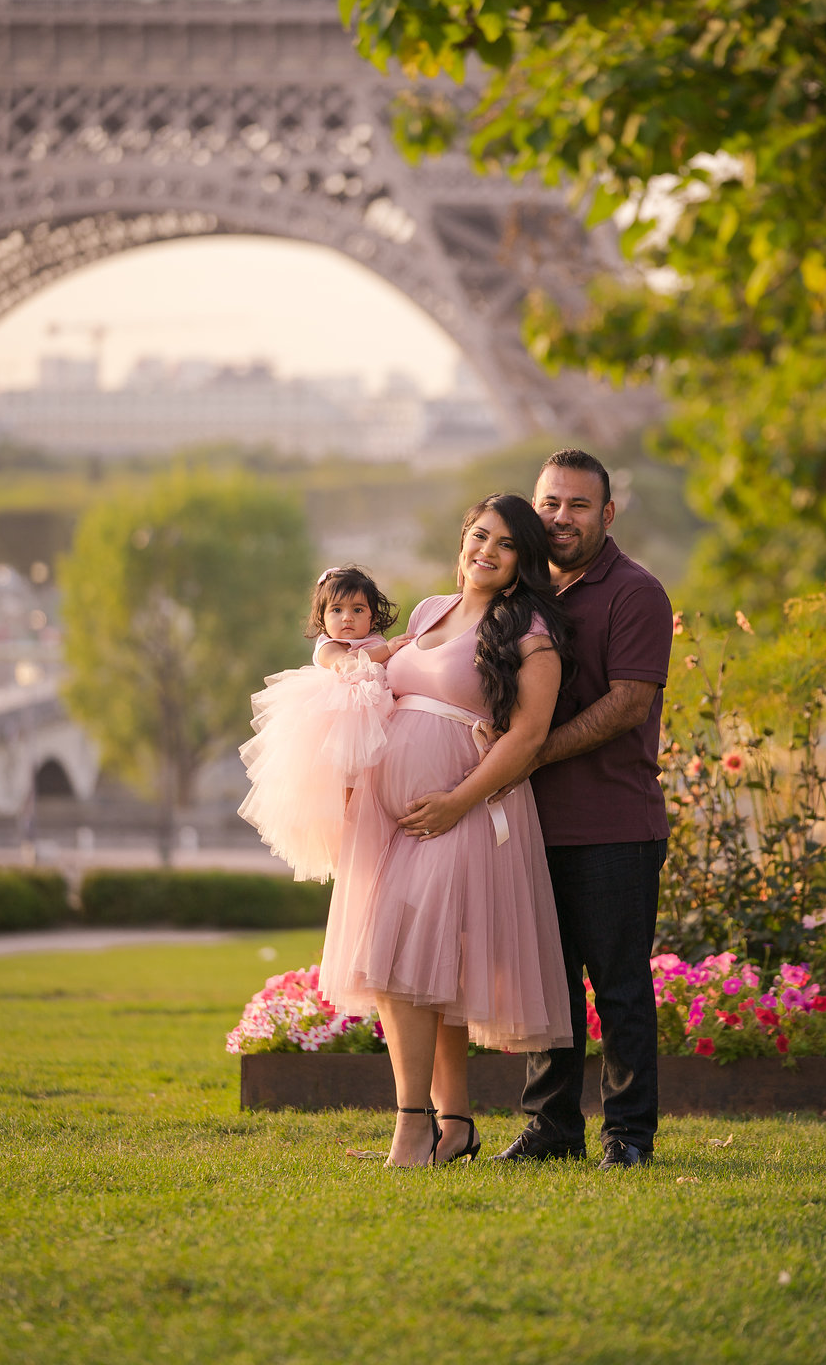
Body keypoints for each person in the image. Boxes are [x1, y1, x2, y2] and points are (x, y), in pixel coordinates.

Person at [318, 495, 574, 1167]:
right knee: (427, 967)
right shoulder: (430, 611)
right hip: (393, 817)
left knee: (402, 962)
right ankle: (455, 1124)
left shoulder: (531, 629)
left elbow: (528, 736)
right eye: (478, 536)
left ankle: (412, 1126)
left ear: (523, 561)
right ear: (462, 540)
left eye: (506, 544)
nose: (486, 552)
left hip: (464, 811)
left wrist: (458, 802)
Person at [493, 449, 674, 1170]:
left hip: (612, 827)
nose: (559, 517)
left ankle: (628, 1135)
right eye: (549, 503)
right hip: (530, 823)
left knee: (620, 986)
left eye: (575, 505)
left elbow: (629, 702)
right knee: (547, 984)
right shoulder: (521, 592)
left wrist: (532, 752)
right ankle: (552, 1128)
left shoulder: (636, 592)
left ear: (606, 513)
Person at [238, 566, 407, 883]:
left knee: (376, 785)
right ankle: (348, 839)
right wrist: (387, 650)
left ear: (372, 617)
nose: (347, 618)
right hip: (336, 726)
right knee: (343, 785)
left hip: (377, 728)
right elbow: (346, 666)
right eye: (337, 610)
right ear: (322, 618)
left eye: (358, 610)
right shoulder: (330, 647)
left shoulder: (373, 642)